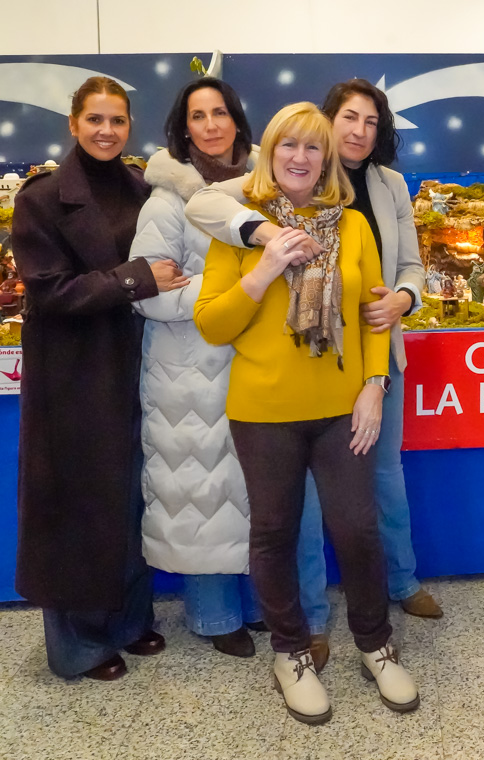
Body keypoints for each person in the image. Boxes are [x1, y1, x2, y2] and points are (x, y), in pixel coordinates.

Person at [185, 81, 439, 657]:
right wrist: (264, 242)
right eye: (349, 117)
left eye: (371, 122)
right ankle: (310, 623)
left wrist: (401, 302)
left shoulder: (374, 200)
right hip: (274, 398)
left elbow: (402, 272)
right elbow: (207, 232)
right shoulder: (252, 209)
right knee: (290, 519)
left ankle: (395, 596)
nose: (358, 130)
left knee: (372, 499)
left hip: (359, 373)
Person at [12, 77, 187, 680]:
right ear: (73, 123)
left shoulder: (143, 188)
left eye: (117, 120)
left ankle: (128, 621)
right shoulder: (42, 198)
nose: (106, 131)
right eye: (95, 119)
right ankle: (78, 643)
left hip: (133, 361)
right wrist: (135, 279)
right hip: (72, 373)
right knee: (77, 505)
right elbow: (50, 291)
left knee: (131, 497)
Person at [129, 78, 268, 658]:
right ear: (183, 129)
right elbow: (148, 293)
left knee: (253, 491)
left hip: (255, 365)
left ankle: (259, 603)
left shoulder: (265, 188)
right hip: (186, 371)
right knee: (200, 493)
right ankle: (214, 616)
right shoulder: (166, 202)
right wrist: (230, 294)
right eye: (198, 115)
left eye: (220, 113)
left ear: (237, 120)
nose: (211, 125)